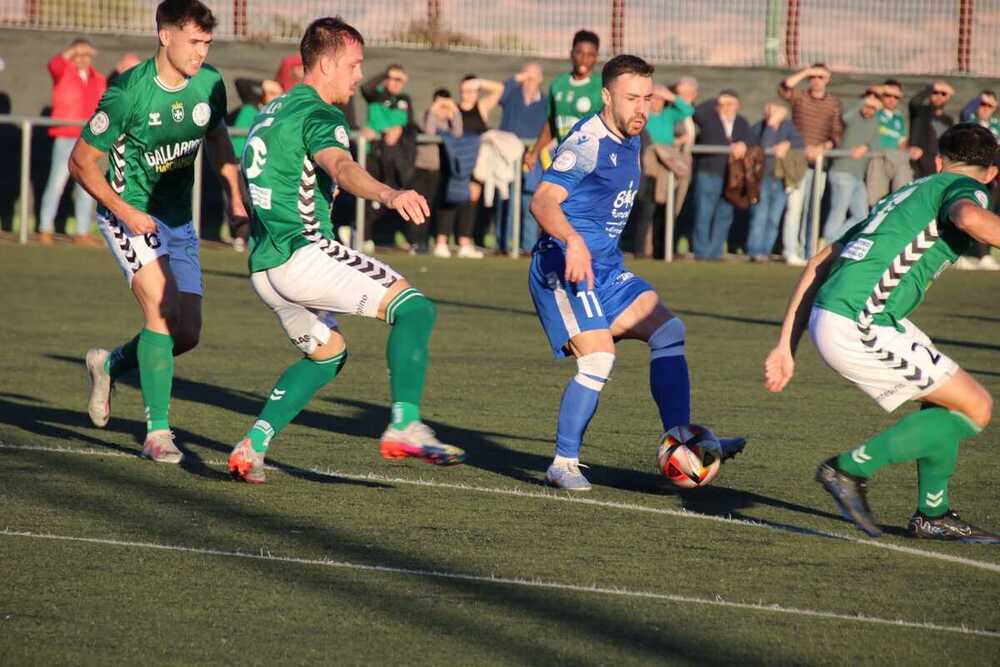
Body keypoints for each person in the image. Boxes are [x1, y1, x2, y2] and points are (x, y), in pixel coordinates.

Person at [228, 17, 465, 483]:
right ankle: (404, 424)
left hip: (264, 267)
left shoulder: (270, 113)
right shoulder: (320, 114)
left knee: (327, 354)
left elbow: (247, 178)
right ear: (329, 63)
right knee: (416, 312)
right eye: (355, 65)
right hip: (304, 254)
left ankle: (252, 444)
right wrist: (389, 194)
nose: (360, 76)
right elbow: (340, 166)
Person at [764, 123, 1000, 543]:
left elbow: (820, 261)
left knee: (945, 397)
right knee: (976, 408)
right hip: (861, 321)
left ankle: (933, 513)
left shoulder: (904, 195)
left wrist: (786, 344)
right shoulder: (968, 188)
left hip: (845, 314)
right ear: (992, 172)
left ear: (938, 160)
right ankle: (850, 468)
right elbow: (968, 216)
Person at [528, 54, 745, 491]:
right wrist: (572, 242)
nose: (642, 108)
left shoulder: (631, 135)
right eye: (631, 98)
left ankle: (683, 443)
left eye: (648, 97)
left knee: (668, 331)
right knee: (599, 357)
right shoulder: (586, 142)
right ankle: (563, 463)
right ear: (607, 97)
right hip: (564, 266)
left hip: (605, 267)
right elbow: (543, 200)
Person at [73, 0, 248, 463]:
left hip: (176, 219)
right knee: (162, 307)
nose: (201, 53)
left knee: (186, 332)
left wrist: (233, 196)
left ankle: (108, 365)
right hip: (127, 215)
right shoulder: (128, 93)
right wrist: (122, 210)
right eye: (194, 42)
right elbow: (81, 162)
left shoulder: (209, 85)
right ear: (165, 36)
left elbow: (217, 140)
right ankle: (158, 432)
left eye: (207, 43)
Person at [38, 38, 106, 246]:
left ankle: (82, 232)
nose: (84, 59)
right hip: (66, 137)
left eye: (87, 55)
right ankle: (45, 229)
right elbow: (53, 64)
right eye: (80, 54)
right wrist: (72, 50)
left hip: (87, 140)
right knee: (57, 184)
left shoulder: (98, 79)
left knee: (86, 187)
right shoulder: (64, 72)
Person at [778, 64, 844, 264]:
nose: (816, 80)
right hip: (797, 161)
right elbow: (784, 88)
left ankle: (809, 252)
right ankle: (791, 251)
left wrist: (823, 147)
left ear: (828, 79)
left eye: (821, 77)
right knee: (794, 207)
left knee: (813, 209)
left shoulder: (833, 103)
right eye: (813, 77)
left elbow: (837, 132)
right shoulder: (801, 97)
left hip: (820, 163)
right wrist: (806, 71)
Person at [433, 74, 503, 258]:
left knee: (471, 200)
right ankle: (441, 242)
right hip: (455, 162)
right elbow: (435, 116)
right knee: (449, 199)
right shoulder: (452, 109)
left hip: (475, 163)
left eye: (471, 91)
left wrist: (479, 82)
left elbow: (499, 89)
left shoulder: (482, 107)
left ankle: (464, 242)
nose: (466, 95)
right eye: (463, 91)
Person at [632, 79, 696, 258]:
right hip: (650, 167)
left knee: (666, 211)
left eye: (659, 99)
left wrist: (669, 96)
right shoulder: (644, 115)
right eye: (653, 98)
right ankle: (640, 249)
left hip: (668, 167)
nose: (656, 102)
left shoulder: (668, 115)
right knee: (647, 209)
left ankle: (662, 250)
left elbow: (688, 110)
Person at [523, 29, 602, 171]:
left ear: (596, 58)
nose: (584, 59)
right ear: (571, 54)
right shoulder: (559, 84)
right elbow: (552, 124)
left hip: (592, 162)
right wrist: (534, 152)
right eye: (580, 53)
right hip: (564, 159)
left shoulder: (600, 87)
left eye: (590, 55)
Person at [360, 64, 416, 253]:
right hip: (374, 153)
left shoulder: (405, 100)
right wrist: (385, 73)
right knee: (369, 194)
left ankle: (389, 236)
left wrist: (400, 129)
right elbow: (365, 88)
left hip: (395, 158)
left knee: (394, 194)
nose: (395, 83)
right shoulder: (376, 94)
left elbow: (411, 125)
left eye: (400, 79)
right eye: (392, 78)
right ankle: (364, 237)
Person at [691, 89, 751, 260]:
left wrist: (743, 144)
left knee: (724, 215)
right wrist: (716, 101)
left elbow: (751, 139)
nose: (728, 107)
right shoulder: (709, 119)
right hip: (709, 172)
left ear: (738, 105)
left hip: (732, 177)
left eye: (731, 103)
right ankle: (701, 252)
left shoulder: (741, 122)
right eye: (724, 103)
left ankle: (715, 252)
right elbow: (698, 112)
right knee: (703, 213)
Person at [495, 62, 547, 255]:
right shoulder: (511, 95)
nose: (530, 80)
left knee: (529, 200)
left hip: (533, 158)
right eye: (527, 75)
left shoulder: (546, 101)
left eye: (534, 76)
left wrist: (535, 151)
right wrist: (518, 78)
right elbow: (500, 91)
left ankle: (528, 247)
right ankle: (504, 245)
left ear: (541, 79)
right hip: (508, 156)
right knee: (506, 199)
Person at [228, 78, 282, 251]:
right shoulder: (250, 109)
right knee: (242, 199)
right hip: (240, 162)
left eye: (278, 93)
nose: (275, 97)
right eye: (271, 93)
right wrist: (264, 84)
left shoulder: (273, 114)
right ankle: (241, 236)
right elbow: (240, 83)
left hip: (258, 165)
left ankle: (254, 237)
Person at [747, 102, 802, 261]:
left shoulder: (788, 127)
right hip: (762, 179)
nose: (773, 114)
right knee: (760, 216)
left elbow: (800, 143)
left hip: (780, 179)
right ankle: (754, 251)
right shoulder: (759, 127)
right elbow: (765, 145)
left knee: (774, 218)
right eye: (770, 112)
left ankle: (765, 251)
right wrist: (771, 125)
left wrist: (788, 144)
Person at [823, 92, 880, 244]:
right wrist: (863, 101)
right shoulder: (852, 118)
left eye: (873, 108)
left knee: (862, 217)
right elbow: (845, 116)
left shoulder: (875, 122)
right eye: (867, 106)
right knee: (838, 212)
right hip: (841, 172)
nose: (869, 110)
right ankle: (827, 246)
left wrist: (866, 146)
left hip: (857, 176)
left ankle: (832, 242)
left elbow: (876, 143)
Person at [412, 88, 462, 254]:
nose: (443, 108)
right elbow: (429, 131)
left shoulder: (450, 120)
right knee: (422, 207)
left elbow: (458, 133)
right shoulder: (424, 116)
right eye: (440, 104)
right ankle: (419, 241)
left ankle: (438, 241)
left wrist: (454, 111)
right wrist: (433, 112)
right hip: (424, 169)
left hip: (444, 171)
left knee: (440, 207)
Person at [866, 80, 917, 204]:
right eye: (888, 95)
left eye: (896, 97)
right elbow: (870, 91)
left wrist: (911, 150)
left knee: (902, 196)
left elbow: (902, 143)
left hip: (896, 158)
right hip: (878, 157)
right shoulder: (874, 110)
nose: (892, 99)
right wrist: (883, 90)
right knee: (876, 200)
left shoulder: (899, 117)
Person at [909, 81, 954, 179]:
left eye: (943, 94)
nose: (939, 96)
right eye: (935, 92)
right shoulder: (921, 112)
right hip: (921, 162)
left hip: (941, 163)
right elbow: (914, 102)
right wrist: (931, 87)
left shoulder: (948, 120)